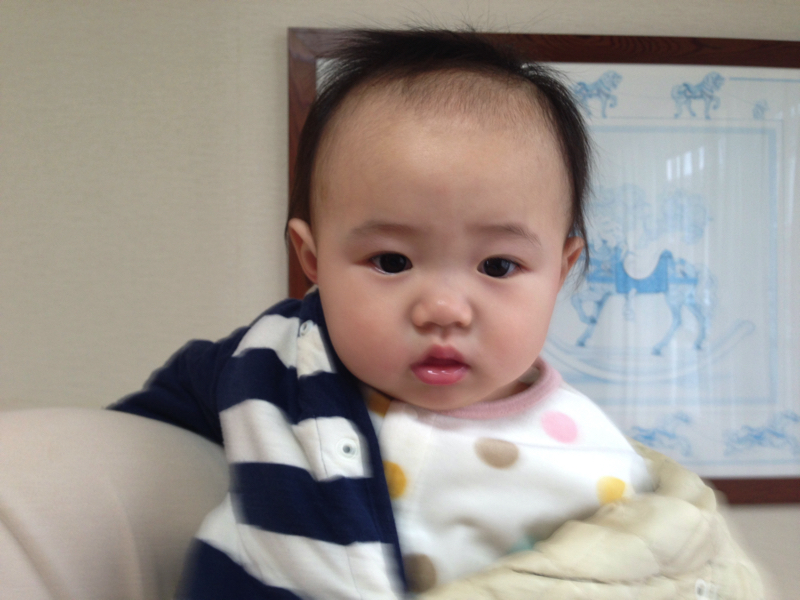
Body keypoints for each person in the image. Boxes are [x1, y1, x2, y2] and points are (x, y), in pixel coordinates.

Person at [111, 30, 763, 600]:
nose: (444, 309)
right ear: (312, 259)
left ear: (561, 272)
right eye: (392, 261)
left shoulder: (592, 462)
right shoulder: (271, 361)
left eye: (498, 266)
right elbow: (149, 426)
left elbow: (668, 568)